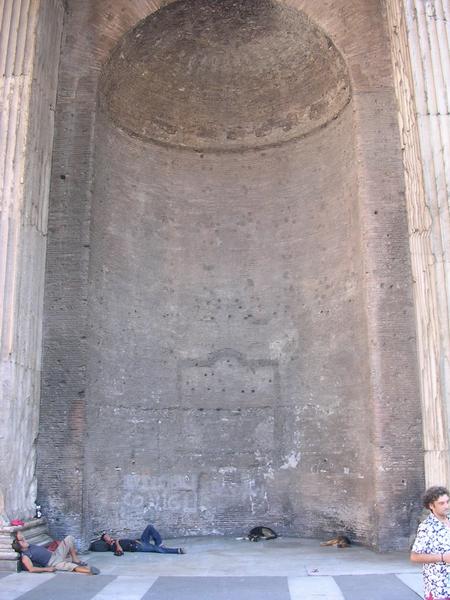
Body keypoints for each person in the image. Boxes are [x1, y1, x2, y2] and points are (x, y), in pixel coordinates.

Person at [411, 486, 450, 600]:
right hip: (440, 588)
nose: (446, 506)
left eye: (447, 502)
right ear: (431, 506)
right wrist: (443, 557)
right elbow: (414, 557)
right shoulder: (427, 527)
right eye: (441, 503)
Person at [12, 531, 100, 575]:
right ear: (21, 548)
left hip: (55, 554)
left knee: (69, 538)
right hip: (53, 563)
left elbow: (20, 535)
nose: (24, 540)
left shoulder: (29, 545)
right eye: (22, 542)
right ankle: (89, 571)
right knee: (70, 567)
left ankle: (75, 559)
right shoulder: (25, 556)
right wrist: (46, 569)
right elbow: (31, 569)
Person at [101, 523, 185, 555]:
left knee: (149, 527)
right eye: (106, 537)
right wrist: (117, 542)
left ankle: (159, 543)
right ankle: (177, 550)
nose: (108, 536)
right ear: (105, 540)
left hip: (138, 542)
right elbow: (120, 551)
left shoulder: (114, 541)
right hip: (137, 547)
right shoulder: (112, 546)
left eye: (108, 535)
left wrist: (135, 540)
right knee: (157, 549)